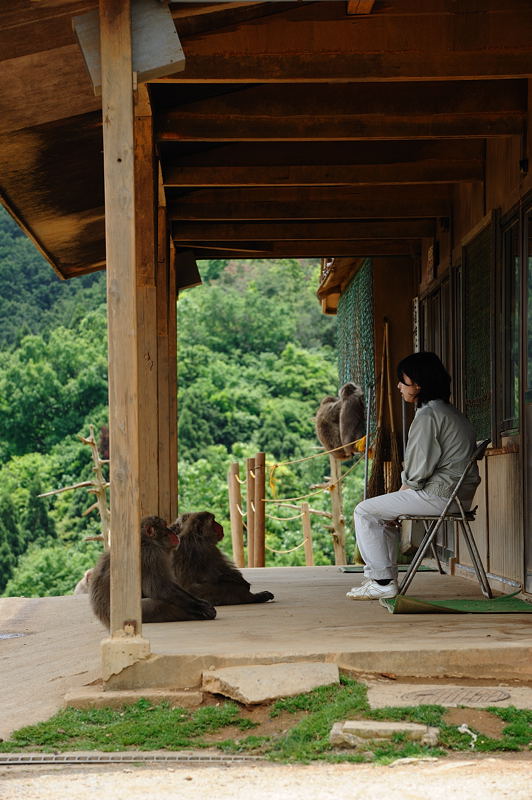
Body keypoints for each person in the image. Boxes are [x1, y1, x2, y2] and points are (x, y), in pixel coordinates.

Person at [347, 351, 480, 601]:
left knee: (364, 511)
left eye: (403, 380)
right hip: (455, 496)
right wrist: (398, 502)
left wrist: (400, 495)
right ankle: (383, 579)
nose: (399, 386)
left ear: (418, 384)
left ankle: (382, 581)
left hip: (439, 496)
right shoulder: (449, 412)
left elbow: (418, 472)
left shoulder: (429, 415)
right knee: (381, 515)